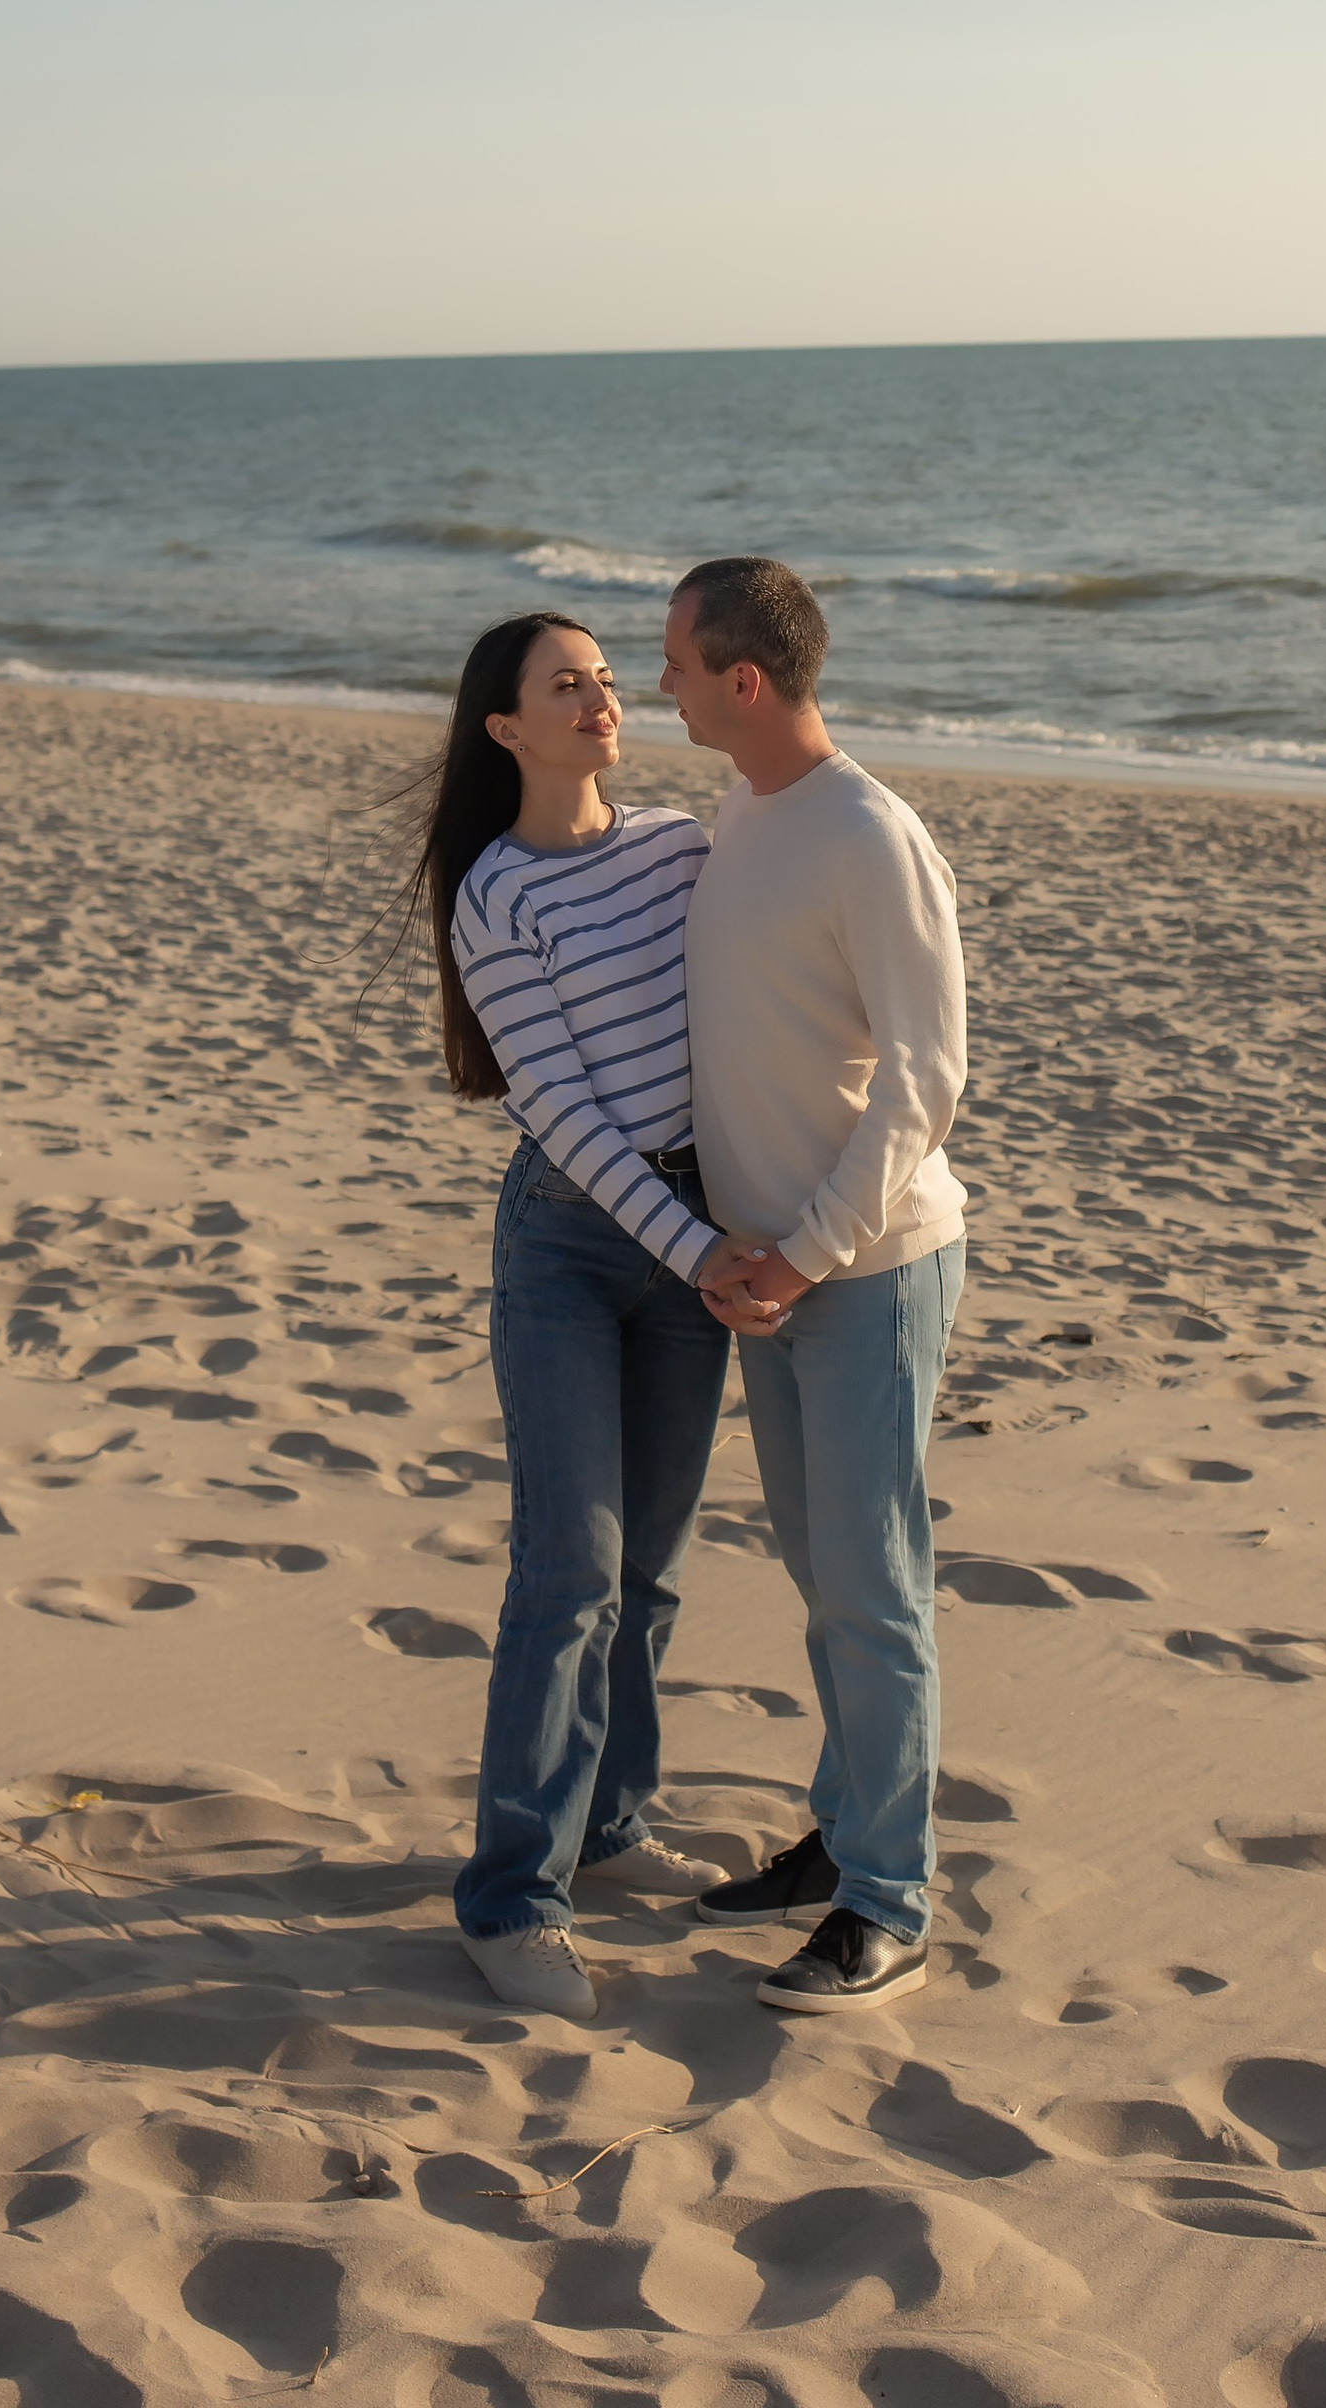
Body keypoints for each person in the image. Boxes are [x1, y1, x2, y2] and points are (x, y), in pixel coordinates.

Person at [408, 610, 752, 2024]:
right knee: (571, 1575)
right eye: (570, 685)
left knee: (652, 1570)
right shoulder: (494, 895)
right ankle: (510, 1900)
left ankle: (610, 1825)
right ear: (508, 728)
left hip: (696, 1241)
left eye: (610, 679)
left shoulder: (682, 846)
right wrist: (698, 1252)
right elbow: (559, 1110)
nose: (602, 698)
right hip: (572, 1241)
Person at [662, 554, 969, 2013]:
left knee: (872, 1586)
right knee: (822, 1577)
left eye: (675, 660)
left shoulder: (869, 833)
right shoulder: (746, 807)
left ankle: (890, 1900)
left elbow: (925, 1080)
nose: (656, 682)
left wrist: (803, 1251)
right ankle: (842, 1838)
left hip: (865, 1268)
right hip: (767, 1276)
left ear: (743, 678)